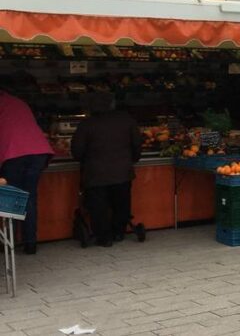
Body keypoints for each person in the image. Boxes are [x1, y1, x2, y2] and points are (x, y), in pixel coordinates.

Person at [71, 93, 142, 247]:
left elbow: (77, 151)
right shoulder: (126, 120)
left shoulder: (86, 124)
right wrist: (132, 160)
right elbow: (137, 145)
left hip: (95, 174)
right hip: (122, 172)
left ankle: (103, 237)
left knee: (98, 207)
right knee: (121, 204)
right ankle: (118, 233)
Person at [0, 89, 54, 254]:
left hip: (14, 152)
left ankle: (9, 243)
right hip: (38, 151)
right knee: (29, 197)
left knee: (12, 197)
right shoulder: (17, 101)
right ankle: (30, 243)